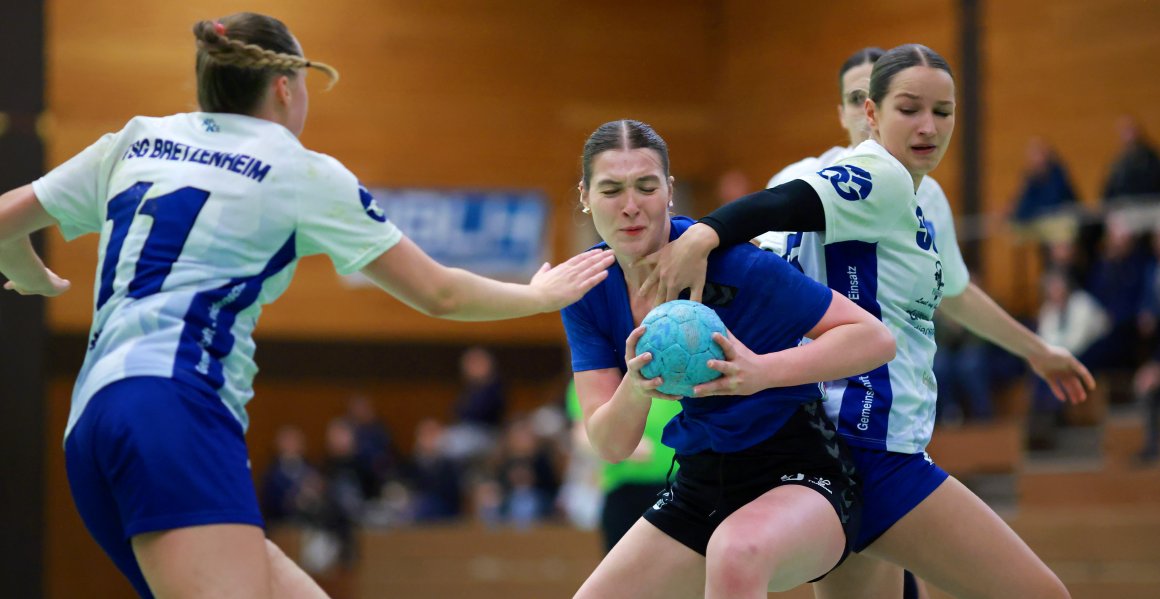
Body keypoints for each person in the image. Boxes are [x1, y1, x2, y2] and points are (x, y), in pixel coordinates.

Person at [0, 12, 614, 599]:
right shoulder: (300, 170)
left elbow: (5, 221)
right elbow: (440, 292)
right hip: (176, 407)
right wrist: (537, 297)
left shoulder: (136, 140)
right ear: (286, 87)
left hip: (91, 424)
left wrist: (24, 268)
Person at [639, 44, 1094, 598]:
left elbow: (957, 292)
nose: (928, 126)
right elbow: (773, 216)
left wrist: (1035, 351)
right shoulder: (871, 176)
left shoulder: (924, 194)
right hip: (865, 443)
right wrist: (706, 235)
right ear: (865, 110)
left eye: (943, 112)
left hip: (844, 441)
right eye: (906, 108)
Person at [565, 119, 897, 598]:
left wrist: (760, 372)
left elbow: (873, 339)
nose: (631, 205)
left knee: (735, 552)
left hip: (800, 471)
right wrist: (636, 386)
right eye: (611, 189)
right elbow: (611, 445)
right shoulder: (587, 289)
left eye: (645, 186)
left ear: (669, 190)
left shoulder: (737, 264)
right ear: (585, 195)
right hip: (701, 480)